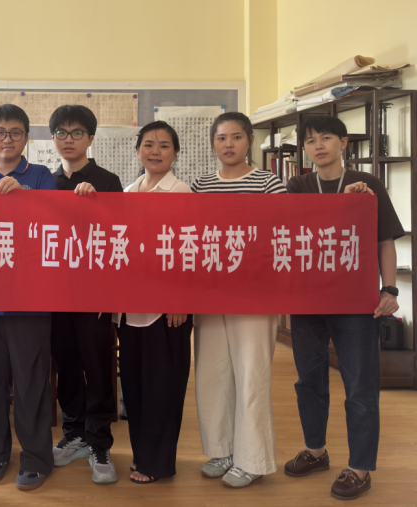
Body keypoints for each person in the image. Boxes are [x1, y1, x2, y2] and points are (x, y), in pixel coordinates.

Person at [283, 115, 403, 501]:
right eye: (310, 141)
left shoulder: (367, 184)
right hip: (307, 299)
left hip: (355, 301)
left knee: (360, 384)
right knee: (309, 380)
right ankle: (316, 451)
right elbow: (286, 233)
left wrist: (389, 289)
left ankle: (360, 467)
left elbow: (385, 240)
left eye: (326, 138)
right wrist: (342, 204)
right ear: (304, 149)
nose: (318, 146)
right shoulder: (298, 185)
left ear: (343, 142)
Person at [0, 104, 57, 491]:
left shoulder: (41, 176)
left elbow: (53, 221)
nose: (7, 140)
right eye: (0, 132)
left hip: (30, 299)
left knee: (31, 382)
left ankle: (35, 458)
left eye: (16, 133)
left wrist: (25, 195)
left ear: (26, 139)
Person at [190, 112, 286, 488]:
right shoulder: (200, 185)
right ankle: (223, 450)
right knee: (211, 375)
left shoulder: (269, 182)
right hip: (210, 295)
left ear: (249, 140)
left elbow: (281, 233)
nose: (228, 144)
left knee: (251, 375)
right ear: (213, 143)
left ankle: (252, 459)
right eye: (221, 138)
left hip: (254, 294)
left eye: (236, 137)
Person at [115, 121, 192, 485]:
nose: (155, 151)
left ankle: (158, 462)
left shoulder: (182, 193)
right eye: (148, 144)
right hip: (130, 309)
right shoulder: (127, 192)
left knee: (163, 387)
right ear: (138, 151)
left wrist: (180, 299)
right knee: (134, 387)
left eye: (164, 145)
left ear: (175, 153)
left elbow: (190, 251)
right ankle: (141, 454)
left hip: (167, 311)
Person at [47, 105, 121, 484]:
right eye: (61, 133)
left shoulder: (108, 181)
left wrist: (98, 205)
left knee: (97, 365)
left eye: (77, 133)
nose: (69, 140)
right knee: (66, 365)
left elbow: (120, 235)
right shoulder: (45, 182)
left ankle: (99, 442)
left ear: (91, 138)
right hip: (56, 293)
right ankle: (74, 433)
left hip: (94, 295)